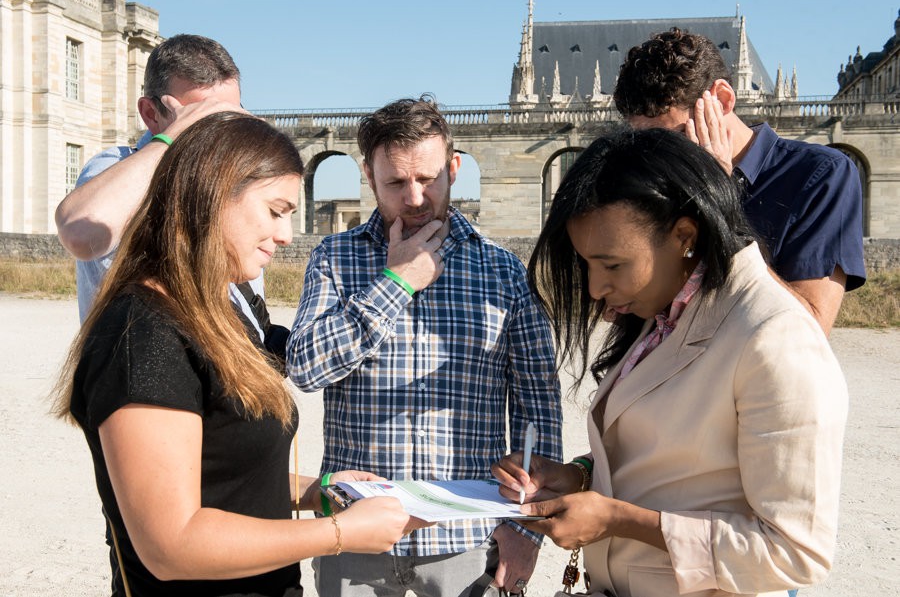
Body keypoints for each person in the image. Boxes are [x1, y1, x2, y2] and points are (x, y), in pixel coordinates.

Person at [52, 112, 421, 597]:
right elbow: (171, 545)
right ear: (212, 197)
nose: (287, 234)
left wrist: (317, 492)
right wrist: (339, 535)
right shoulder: (143, 332)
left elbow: (220, 469)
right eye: (275, 210)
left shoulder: (219, 312)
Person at [491, 128, 848, 597]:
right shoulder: (665, 313)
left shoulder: (774, 338)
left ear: (683, 235)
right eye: (587, 266)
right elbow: (671, 463)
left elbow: (796, 552)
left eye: (612, 265)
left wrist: (618, 520)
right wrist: (577, 475)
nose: (596, 288)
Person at [286, 95, 563, 597]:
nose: (414, 198)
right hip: (357, 534)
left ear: (454, 170)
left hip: (467, 540)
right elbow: (305, 367)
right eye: (395, 182)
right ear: (368, 177)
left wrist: (526, 529)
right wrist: (395, 283)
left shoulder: (502, 271)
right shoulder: (334, 259)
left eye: (428, 179)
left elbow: (538, 409)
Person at [612, 27, 866, 334]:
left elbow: (808, 329)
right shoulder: (658, 176)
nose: (664, 160)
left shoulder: (820, 174)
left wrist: (718, 198)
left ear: (722, 99)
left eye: (678, 137)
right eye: (649, 144)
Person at [54, 34, 262, 328]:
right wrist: (173, 139)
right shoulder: (116, 166)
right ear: (151, 114)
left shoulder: (234, 177)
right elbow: (80, 232)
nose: (219, 133)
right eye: (200, 117)